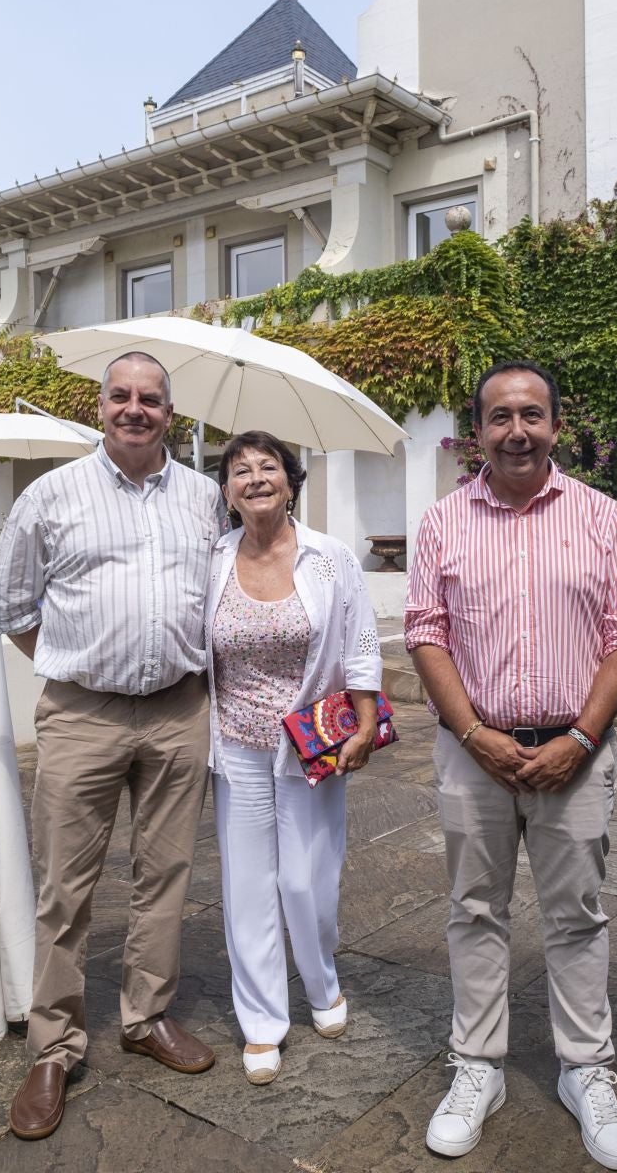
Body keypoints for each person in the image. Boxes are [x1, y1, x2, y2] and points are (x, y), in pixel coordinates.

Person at [406, 361, 617, 1171]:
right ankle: (478, 1065)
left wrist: (579, 739)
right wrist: (473, 732)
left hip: (573, 753)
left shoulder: (600, 516)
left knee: (576, 912)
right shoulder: (442, 521)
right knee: (475, 907)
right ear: (476, 431)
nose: (517, 431)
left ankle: (587, 1069)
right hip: (473, 750)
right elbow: (426, 633)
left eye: (532, 415)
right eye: (500, 417)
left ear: (555, 424)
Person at [0, 352, 228, 1142]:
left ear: (171, 412)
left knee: (167, 875)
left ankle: (145, 1017)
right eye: (121, 396)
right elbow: (13, 604)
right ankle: (53, 1046)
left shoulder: (202, 497)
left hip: (178, 711)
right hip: (83, 714)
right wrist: (81, 667)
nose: (135, 409)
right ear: (100, 407)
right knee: (66, 886)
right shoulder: (50, 496)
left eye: (150, 399)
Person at [203, 429, 382, 1085]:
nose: (254, 478)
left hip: (310, 743)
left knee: (308, 881)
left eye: (267, 467)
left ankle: (321, 981)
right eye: (240, 470)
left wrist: (365, 719)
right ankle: (261, 1022)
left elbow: (361, 639)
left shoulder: (328, 557)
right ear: (226, 490)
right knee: (247, 887)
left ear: (290, 481)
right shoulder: (215, 557)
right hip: (239, 748)